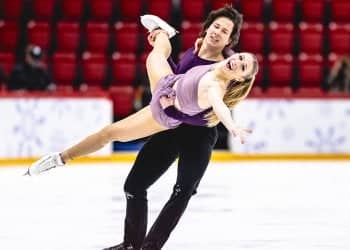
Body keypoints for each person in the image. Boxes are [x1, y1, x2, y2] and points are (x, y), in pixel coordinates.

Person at [27, 9, 257, 250]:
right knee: (134, 186)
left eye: (225, 31)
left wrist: (230, 124)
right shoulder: (197, 48)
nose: (217, 33)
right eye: (216, 26)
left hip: (196, 133)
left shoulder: (225, 70)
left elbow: (210, 107)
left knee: (182, 191)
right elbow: (180, 81)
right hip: (170, 120)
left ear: (230, 41)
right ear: (207, 27)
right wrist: (164, 59)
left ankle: (150, 247)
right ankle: (130, 245)